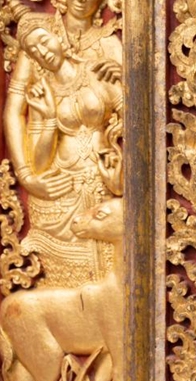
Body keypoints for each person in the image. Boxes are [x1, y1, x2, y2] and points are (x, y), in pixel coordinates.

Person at [7, 10, 123, 288]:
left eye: (44, 42)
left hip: (103, 179)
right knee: (69, 285)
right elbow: (35, 151)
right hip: (61, 189)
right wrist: (27, 174)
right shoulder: (44, 91)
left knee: (114, 272)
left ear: (57, 37)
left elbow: (137, 118)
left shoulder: (97, 67)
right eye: (34, 49)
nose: (42, 51)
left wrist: (121, 171)